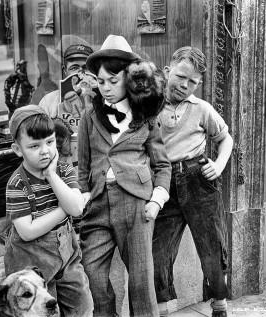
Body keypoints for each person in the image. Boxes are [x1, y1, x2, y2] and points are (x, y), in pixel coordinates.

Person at [78, 34, 171, 317]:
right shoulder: (89, 116)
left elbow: (162, 165)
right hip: (97, 205)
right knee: (93, 271)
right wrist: (82, 200)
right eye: (100, 81)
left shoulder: (145, 116)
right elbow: (83, 165)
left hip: (135, 204)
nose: (105, 88)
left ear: (128, 79)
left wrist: (156, 200)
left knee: (141, 281)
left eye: (113, 80)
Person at [153, 47, 234, 317]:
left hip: (198, 180)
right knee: (158, 251)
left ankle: (219, 305)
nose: (185, 85)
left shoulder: (202, 109)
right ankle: (164, 309)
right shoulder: (150, 106)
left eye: (193, 82)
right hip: (163, 184)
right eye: (180, 77)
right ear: (167, 71)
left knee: (211, 243)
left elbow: (225, 139)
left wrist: (219, 165)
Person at [4, 105, 94, 317]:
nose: (45, 150)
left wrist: (52, 176)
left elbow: (77, 209)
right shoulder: (17, 183)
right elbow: (27, 231)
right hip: (29, 263)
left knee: (82, 305)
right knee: (41, 312)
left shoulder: (63, 170)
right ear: (18, 150)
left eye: (50, 142)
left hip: (66, 257)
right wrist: (64, 211)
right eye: (34, 146)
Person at [38, 43, 94, 118]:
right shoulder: (48, 101)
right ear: (65, 71)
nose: (80, 72)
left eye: (86, 68)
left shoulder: (106, 98)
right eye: (74, 68)